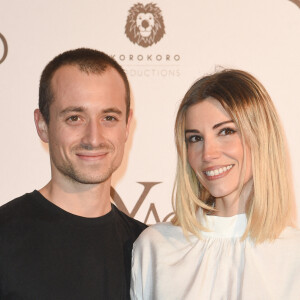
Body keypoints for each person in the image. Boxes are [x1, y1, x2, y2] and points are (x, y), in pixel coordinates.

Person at [130, 69, 300, 299]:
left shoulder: (293, 255)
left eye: (226, 131)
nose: (208, 153)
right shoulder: (155, 249)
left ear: (261, 136)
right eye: (195, 138)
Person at [0, 48, 146, 299]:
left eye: (109, 117)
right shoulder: (5, 236)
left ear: (126, 126)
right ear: (42, 125)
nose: (93, 138)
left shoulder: (147, 248)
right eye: (75, 117)